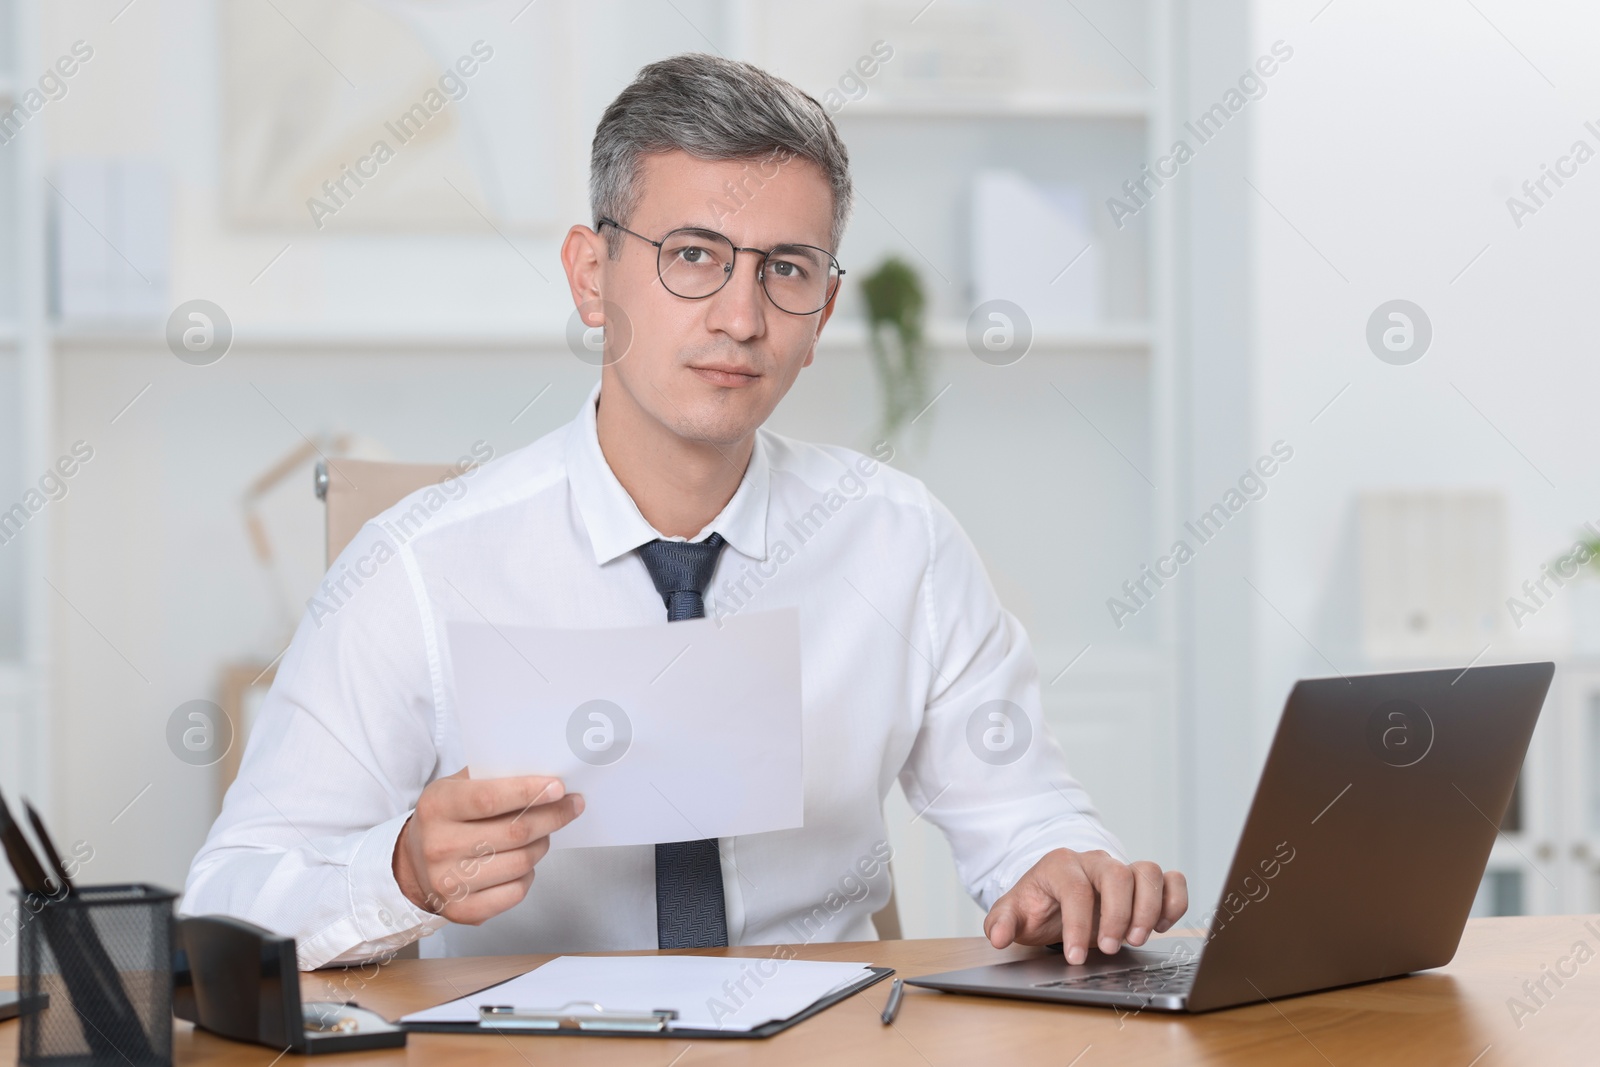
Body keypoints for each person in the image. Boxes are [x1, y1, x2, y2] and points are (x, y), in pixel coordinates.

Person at [182, 52, 1186, 970]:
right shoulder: (414, 565)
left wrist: (1068, 873)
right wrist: (398, 873)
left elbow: (1026, 817)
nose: (741, 318)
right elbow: (225, 907)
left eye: (784, 269)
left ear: (823, 310)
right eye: (694, 255)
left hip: (826, 1043)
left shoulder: (899, 542)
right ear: (591, 275)